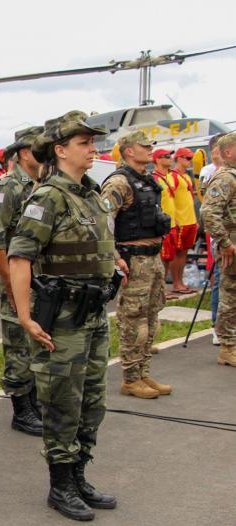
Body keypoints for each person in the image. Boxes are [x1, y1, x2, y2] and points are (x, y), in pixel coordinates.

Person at [8, 111, 120, 522]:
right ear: (60, 150)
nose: (93, 148)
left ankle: (79, 476)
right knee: (62, 404)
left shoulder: (90, 193)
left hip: (94, 314)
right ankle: (60, 486)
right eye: (84, 143)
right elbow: (20, 257)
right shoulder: (48, 196)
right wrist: (25, 316)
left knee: (93, 403)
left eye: (93, 142)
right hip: (65, 318)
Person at [100, 131, 173, 399]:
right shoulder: (119, 182)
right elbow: (103, 220)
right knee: (133, 321)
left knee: (152, 317)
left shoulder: (147, 180)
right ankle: (130, 378)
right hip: (133, 260)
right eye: (144, 146)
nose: (150, 149)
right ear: (128, 151)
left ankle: (143, 372)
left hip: (152, 258)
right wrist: (114, 257)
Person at [0, 126, 45, 436]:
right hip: (18, 280)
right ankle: (21, 409)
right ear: (23, 153)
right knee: (19, 346)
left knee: (36, 343)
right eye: (38, 147)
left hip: (39, 281)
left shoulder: (43, 185)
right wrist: (11, 283)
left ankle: (34, 403)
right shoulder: (8, 188)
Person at [200, 132, 236, 365]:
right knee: (230, 295)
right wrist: (224, 242)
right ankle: (228, 346)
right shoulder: (225, 177)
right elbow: (208, 213)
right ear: (228, 152)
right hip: (232, 242)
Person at [168, 148, 198, 294]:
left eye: (191, 158)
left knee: (184, 252)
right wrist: (175, 218)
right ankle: (176, 283)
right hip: (180, 220)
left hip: (190, 220)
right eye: (187, 158)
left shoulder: (186, 176)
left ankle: (181, 281)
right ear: (178, 158)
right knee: (176, 253)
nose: (190, 161)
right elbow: (170, 199)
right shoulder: (173, 176)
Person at [151, 149, 178, 290]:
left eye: (170, 156)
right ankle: (160, 289)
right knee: (161, 258)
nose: (170, 159)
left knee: (169, 258)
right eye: (166, 157)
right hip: (162, 226)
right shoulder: (155, 178)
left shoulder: (169, 177)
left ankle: (163, 289)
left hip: (172, 223)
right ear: (157, 160)